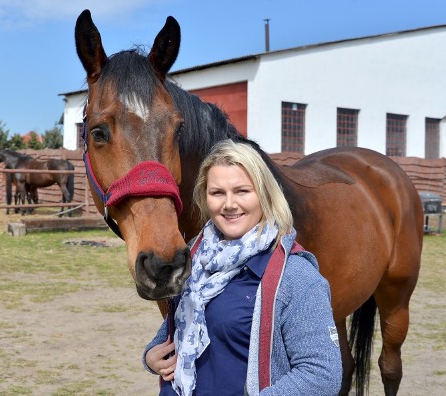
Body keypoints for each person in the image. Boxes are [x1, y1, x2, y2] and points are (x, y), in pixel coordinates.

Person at [142, 139, 342, 395]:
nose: (229, 204)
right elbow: (189, 314)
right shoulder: (196, 255)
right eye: (217, 193)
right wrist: (152, 354)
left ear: (264, 195)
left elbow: (322, 375)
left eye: (242, 191)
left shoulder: (295, 276)